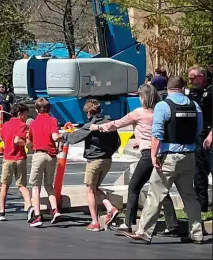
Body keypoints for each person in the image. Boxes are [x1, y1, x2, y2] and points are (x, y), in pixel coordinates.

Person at [123, 76, 205, 244]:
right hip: (189, 156)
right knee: (189, 196)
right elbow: (198, 129)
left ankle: (144, 232)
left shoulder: (163, 106)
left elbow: (157, 134)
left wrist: (154, 155)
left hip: (168, 158)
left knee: (155, 195)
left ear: (168, 89)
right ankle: (197, 233)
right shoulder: (194, 105)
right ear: (183, 88)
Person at [89, 84, 179, 233]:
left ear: (143, 97)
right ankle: (173, 223)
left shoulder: (139, 113)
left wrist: (98, 127)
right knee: (160, 188)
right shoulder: (160, 111)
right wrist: (140, 141)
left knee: (134, 187)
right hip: (161, 153)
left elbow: (117, 124)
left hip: (147, 155)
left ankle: (129, 222)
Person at [61, 99, 121, 232]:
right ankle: (110, 208)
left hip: (94, 160)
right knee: (95, 187)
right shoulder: (108, 123)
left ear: (89, 113)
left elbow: (74, 137)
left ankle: (95, 222)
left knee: (89, 190)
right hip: (107, 159)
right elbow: (118, 142)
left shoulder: (91, 125)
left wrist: (63, 135)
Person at [24, 98, 62, 226]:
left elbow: (30, 142)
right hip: (51, 155)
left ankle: (38, 216)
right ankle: (55, 209)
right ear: (49, 109)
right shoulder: (53, 120)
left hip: (39, 154)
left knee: (35, 186)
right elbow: (55, 137)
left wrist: (28, 146)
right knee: (49, 185)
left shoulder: (33, 123)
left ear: (36, 109)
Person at [0, 103, 35, 223]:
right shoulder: (22, 125)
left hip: (8, 158)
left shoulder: (6, 125)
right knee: (21, 185)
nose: (27, 117)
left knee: (4, 185)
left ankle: (2, 212)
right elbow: (17, 140)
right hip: (20, 158)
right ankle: (30, 206)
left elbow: (0, 138)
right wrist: (27, 144)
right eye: (26, 114)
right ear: (20, 114)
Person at [186, 65, 212, 213]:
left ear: (201, 77)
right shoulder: (193, 94)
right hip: (198, 135)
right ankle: (201, 205)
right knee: (199, 172)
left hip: (209, 134)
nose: (190, 82)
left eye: (192, 79)